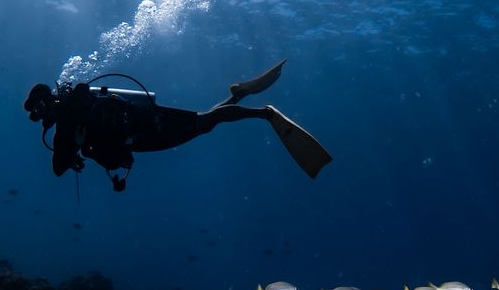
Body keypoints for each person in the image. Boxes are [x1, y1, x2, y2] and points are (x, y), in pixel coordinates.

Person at [23, 59, 332, 191]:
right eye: (36, 114)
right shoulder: (67, 122)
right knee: (203, 124)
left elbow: (59, 166)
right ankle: (236, 96)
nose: (40, 117)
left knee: (204, 123)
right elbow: (60, 167)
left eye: (39, 110)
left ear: (47, 101)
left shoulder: (68, 120)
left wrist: (74, 145)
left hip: (146, 130)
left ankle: (264, 113)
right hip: (144, 130)